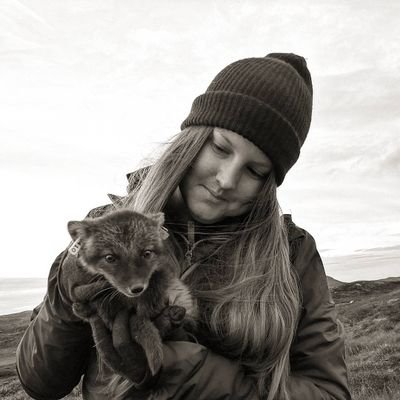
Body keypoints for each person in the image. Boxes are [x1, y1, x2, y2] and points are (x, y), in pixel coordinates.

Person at [16, 53, 351, 400]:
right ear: (193, 138)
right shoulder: (105, 228)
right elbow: (40, 383)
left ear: (269, 184)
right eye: (220, 148)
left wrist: (199, 378)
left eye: (255, 171)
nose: (226, 180)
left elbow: (330, 393)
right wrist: (65, 290)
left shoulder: (293, 254)